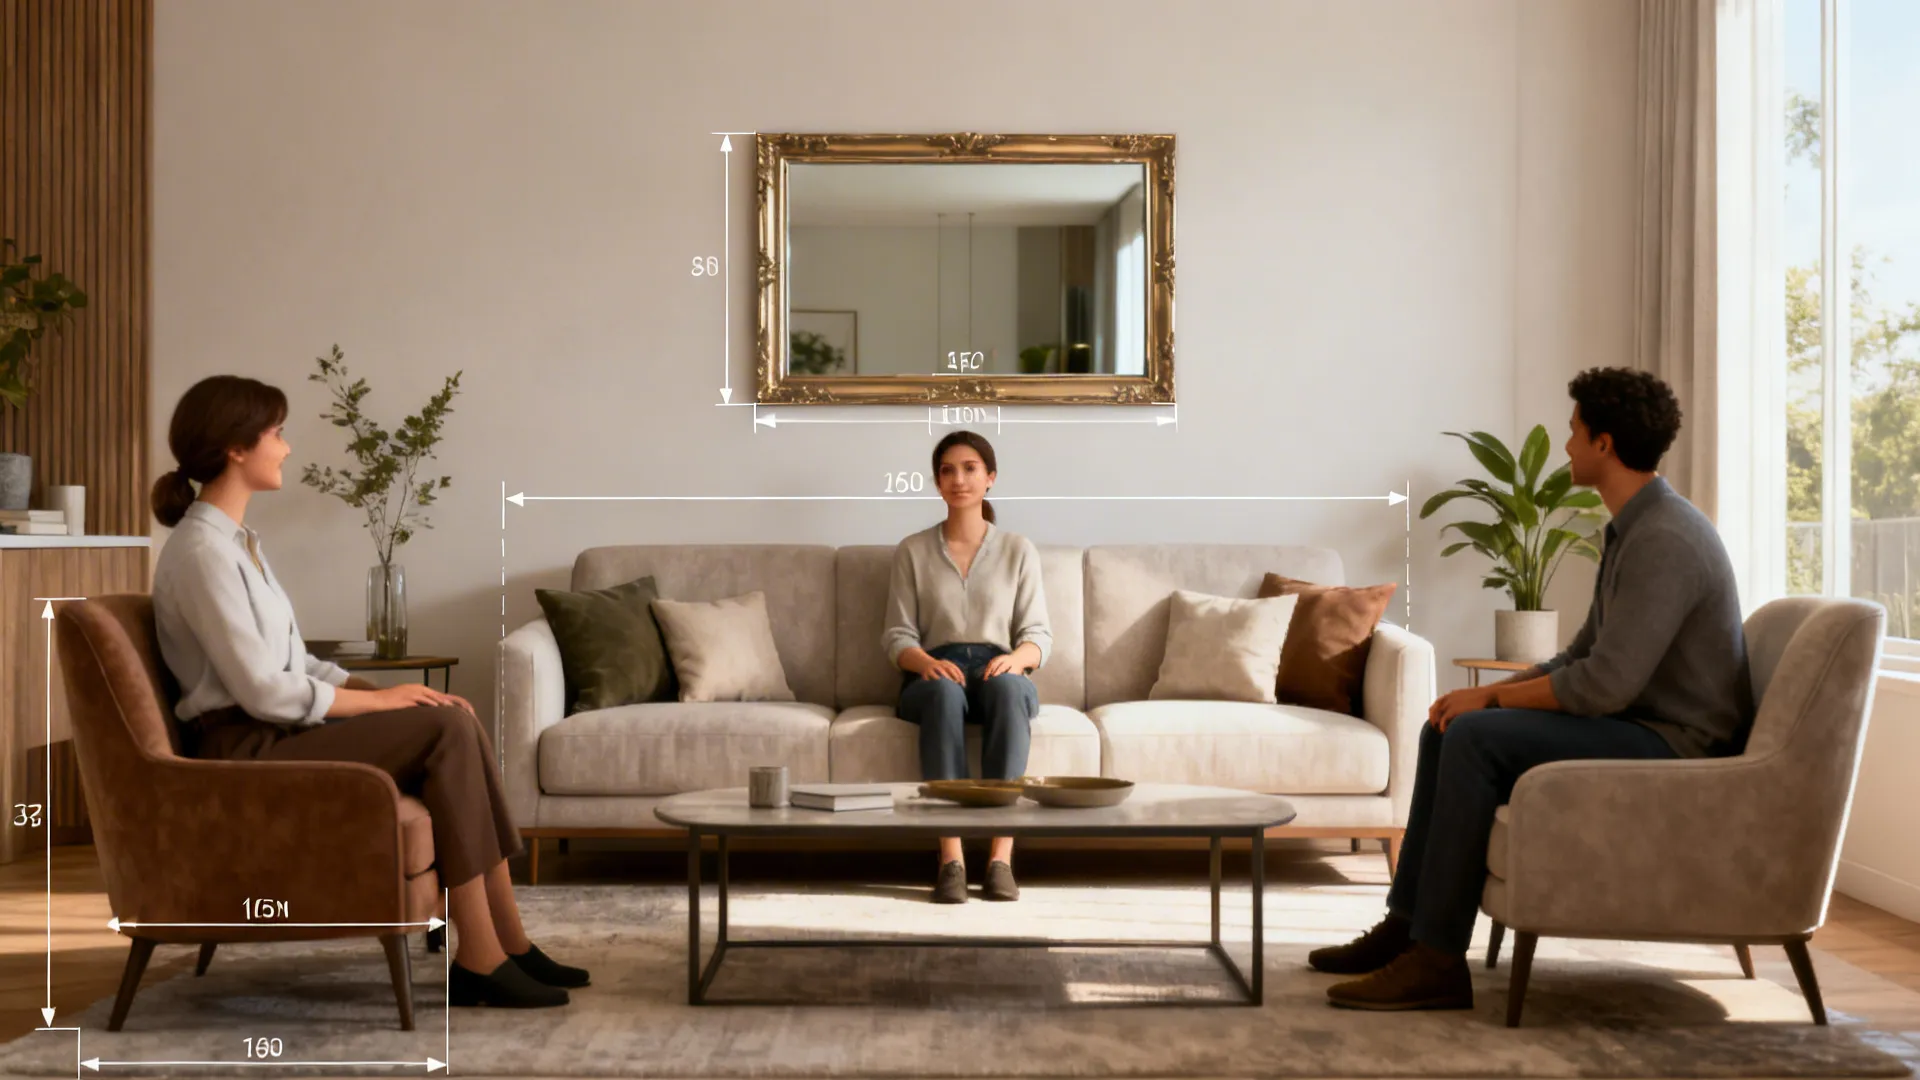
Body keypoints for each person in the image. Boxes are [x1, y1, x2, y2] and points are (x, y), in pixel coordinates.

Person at [1310, 367, 1754, 1011]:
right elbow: (1581, 653)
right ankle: (1407, 928)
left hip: (1674, 746)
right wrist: (1479, 696)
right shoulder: (1634, 526)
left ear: (1604, 443)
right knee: (1448, 728)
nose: (1566, 445)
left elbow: (1604, 683)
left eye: (1574, 432)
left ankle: (1438, 961)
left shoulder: (1665, 539)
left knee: (1475, 738)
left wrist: (1490, 698)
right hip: (1640, 723)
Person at [149, 375, 587, 1010]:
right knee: (447, 729)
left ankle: (507, 944)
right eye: (276, 433)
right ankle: (483, 957)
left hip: (275, 732)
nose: (287, 447)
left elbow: (297, 663)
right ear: (235, 448)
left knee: (450, 714)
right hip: (244, 751)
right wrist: (381, 705)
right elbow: (265, 691)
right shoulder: (200, 555)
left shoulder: (239, 546)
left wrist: (385, 688)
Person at [883, 431, 1051, 904]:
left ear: (990, 478)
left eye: (971, 468)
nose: (959, 479)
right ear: (937, 483)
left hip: (1000, 667)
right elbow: (896, 634)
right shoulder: (912, 551)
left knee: (1011, 692)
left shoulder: (1019, 550)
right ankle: (951, 857)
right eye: (948, 470)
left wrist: (1017, 661)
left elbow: (1039, 635)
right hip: (934, 671)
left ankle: (1001, 858)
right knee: (940, 694)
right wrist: (926, 663)